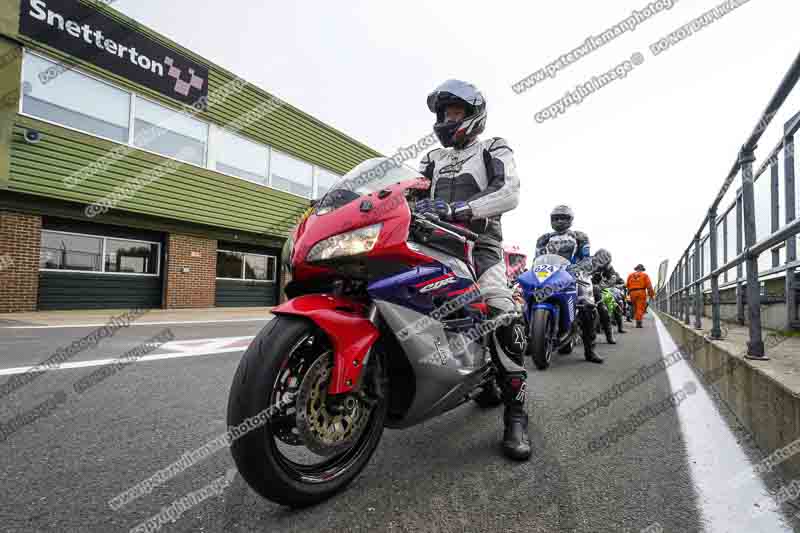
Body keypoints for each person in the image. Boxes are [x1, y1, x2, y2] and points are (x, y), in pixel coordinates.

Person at [415, 79, 530, 460]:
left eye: (455, 112)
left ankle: (516, 416)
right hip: (432, 244)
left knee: (500, 309)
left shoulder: (493, 147)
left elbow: (509, 191)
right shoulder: (432, 158)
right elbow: (407, 191)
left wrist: (460, 210)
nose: (448, 119)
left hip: (479, 246)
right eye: (444, 113)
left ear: (473, 114)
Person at [535, 205, 604, 364]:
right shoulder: (543, 239)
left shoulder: (580, 236)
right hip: (550, 273)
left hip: (575, 274)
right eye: (556, 218)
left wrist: (578, 269)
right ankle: (532, 339)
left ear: (570, 220)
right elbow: (537, 259)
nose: (559, 221)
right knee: (530, 297)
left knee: (587, 305)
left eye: (563, 218)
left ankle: (590, 350)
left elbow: (586, 258)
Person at [591, 248, 623, 342]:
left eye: (604, 259)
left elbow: (612, 278)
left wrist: (603, 286)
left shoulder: (608, 268)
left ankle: (609, 335)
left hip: (599, 289)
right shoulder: (588, 262)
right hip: (584, 287)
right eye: (600, 258)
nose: (601, 261)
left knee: (604, 309)